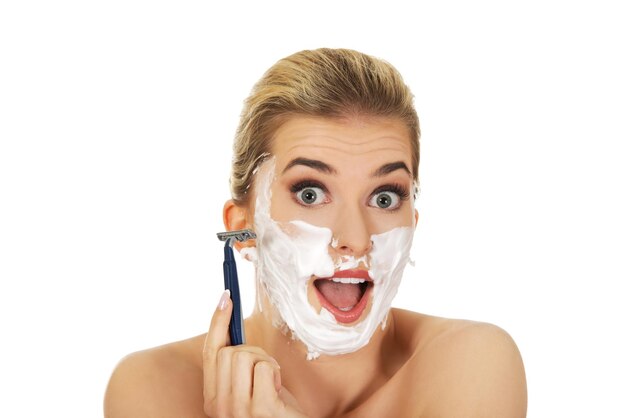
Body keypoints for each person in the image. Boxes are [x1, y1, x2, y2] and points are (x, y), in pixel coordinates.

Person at [104, 48, 527, 417]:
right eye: (311, 193)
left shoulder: (471, 366)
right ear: (243, 229)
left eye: (384, 198)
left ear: (413, 222)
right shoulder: (153, 388)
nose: (355, 239)